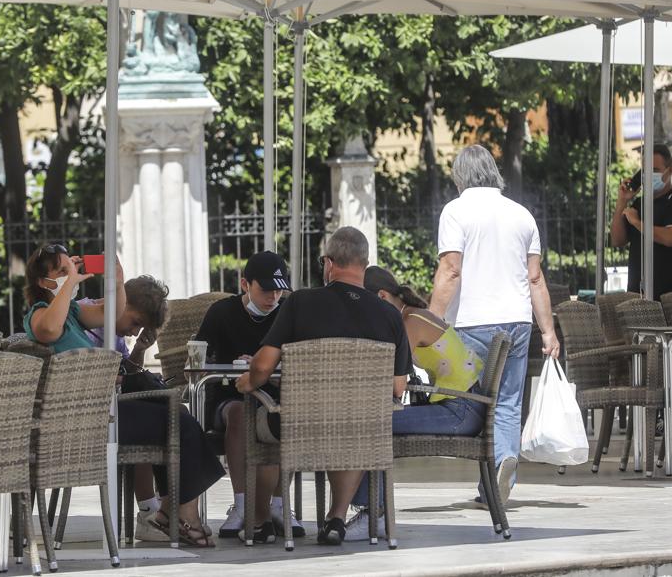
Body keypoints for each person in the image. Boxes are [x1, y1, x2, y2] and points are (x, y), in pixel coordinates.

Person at [23, 244, 225, 547]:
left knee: (176, 414)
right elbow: (49, 329)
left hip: (105, 406)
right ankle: (181, 514)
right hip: (85, 417)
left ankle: (174, 512)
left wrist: (117, 279)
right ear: (42, 282)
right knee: (176, 421)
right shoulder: (39, 314)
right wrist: (72, 284)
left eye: (72, 268)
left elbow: (111, 314)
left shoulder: (74, 314)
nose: (72, 275)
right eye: (62, 272)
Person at [235, 227, 412, 546]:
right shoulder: (390, 315)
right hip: (360, 424)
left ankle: (260, 520)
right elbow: (398, 387)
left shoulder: (300, 302)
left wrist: (247, 383)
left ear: (329, 263)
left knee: (255, 419)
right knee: (355, 424)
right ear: (365, 263)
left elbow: (262, 367)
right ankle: (336, 518)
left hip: (296, 423)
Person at [428, 144, 558, 508]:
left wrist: (431, 321)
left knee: (472, 404)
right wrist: (547, 331)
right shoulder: (522, 214)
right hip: (517, 322)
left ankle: (489, 477)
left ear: (460, 177)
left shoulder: (455, 211)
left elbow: (451, 270)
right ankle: (501, 473)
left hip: (472, 322)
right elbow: (535, 279)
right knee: (507, 404)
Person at [345, 266, 489, 538]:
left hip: (461, 409)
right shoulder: (412, 316)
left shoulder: (410, 323)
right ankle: (371, 510)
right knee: (374, 421)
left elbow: (391, 372)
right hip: (460, 405)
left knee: (373, 423)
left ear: (383, 297)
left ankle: (373, 514)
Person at [191, 252, 299, 539]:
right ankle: (242, 504)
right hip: (229, 395)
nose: (273, 297)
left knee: (287, 415)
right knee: (240, 414)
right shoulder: (221, 312)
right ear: (245, 284)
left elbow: (300, 356)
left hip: (275, 395)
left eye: (278, 290)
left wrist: (265, 364)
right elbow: (198, 359)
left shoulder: (288, 311)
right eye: (265, 289)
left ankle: (278, 504)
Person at [79, 274, 175, 538]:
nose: (134, 332)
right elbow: (96, 375)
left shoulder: (115, 328)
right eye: (135, 323)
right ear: (121, 302)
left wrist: (140, 349)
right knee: (159, 420)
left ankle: (155, 508)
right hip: (88, 416)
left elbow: (124, 373)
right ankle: (151, 511)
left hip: (114, 409)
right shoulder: (85, 318)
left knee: (164, 415)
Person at [610, 143, 672, 300]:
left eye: (655, 171)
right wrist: (622, 202)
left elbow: (670, 237)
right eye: (645, 171)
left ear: (669, 171)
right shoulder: (639, 204)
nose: (649, 175)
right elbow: (617, 239)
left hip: (671, 298)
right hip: (638, 296)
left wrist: (637, 223)